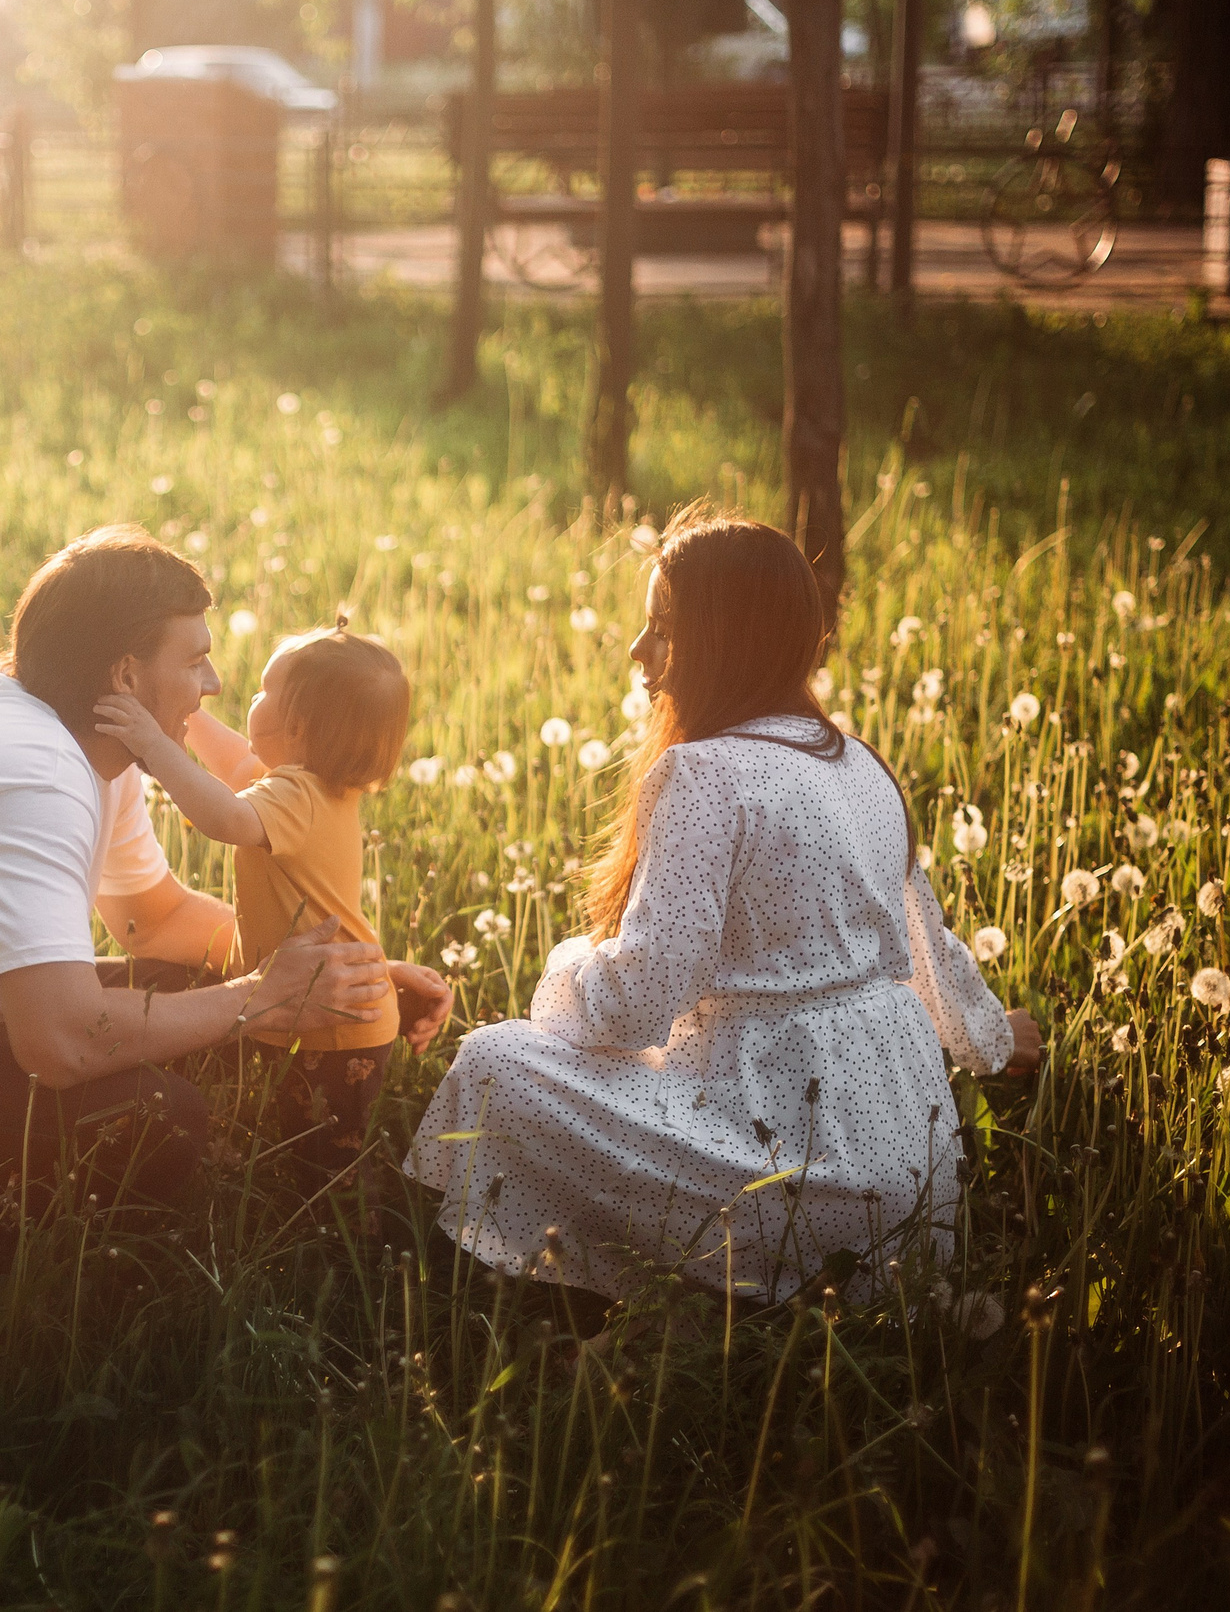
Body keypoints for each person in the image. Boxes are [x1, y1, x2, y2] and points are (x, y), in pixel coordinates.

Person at [406, 510, 1043, 1310]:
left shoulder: (703, 773)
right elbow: (925, 945)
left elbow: (640, 999)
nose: (637, 649)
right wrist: (992, 1040)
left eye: (663, 629)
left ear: (725, 640)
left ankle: (468, 1287)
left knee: (496, 1060)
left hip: (788, 1180)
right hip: (911, 1195)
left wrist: (564, 972)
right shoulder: (860, 763)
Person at [0, 524, 451, 1221]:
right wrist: (263, 995)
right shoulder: (29, 776)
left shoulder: (84, 742)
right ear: (126, 675)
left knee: (195, 995)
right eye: (194, 660)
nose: (215, 682)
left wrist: (344, 969)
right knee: (160, 1119)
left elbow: (155, 920)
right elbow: (62, 1042)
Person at [93, 624, 425, 1172]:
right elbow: (234, 766)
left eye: (264, 691)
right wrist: (182, 714)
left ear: (296, 725)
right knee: (303, 1136)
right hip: (328, 1004)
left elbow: (225, 817)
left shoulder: (295, 797)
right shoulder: (311, 787)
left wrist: (154, 743)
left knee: (326, 1163)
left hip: (334, 1026)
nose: (250, 697)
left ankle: (348, 1218)